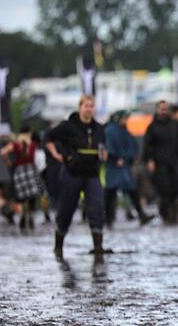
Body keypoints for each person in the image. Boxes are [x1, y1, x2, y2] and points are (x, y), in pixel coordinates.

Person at [46, 95, 109, 261]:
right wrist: (57, 154)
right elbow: (48, 137)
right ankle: (58, 246)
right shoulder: (68, 126)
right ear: (80, 107)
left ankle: (98, 246)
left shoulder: (99, 128)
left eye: (91, 106)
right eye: (86, 106)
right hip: (72, 173)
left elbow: (103, 145)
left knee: (97, 206)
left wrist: (104, 154)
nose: (89, 109)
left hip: (92, 173)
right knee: (66, 209)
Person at [104, 110, 154, 228]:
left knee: (132, 191)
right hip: (114, 167)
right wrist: (115, 158)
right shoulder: (111, 131)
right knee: (111, 193)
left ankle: (141, 214)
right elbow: (108, 147)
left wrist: (132, 158)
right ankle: (108, 218)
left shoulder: (124, 131)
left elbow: (132, 146)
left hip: (125, 166)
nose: (126, 121)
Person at [143, 101, 178, 224]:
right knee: (163, 189)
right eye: (162, 109)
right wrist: (149, 159)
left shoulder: (175, 125)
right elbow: (148, 145)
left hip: (174, 161)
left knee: (177, 186)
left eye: (166, 108)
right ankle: (166, 214)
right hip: (160, 163)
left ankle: (173, 210)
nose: (164, 111)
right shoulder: (152, 127)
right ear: (158, 110)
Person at [0, 126, 43, 230]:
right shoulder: (32, 145)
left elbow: (2, 152)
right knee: (32, 196)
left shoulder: (16, 144)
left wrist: (9, 163)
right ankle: (30, 218)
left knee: (23, 197)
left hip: (19, 171)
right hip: (31, 171)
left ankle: (23, 217)